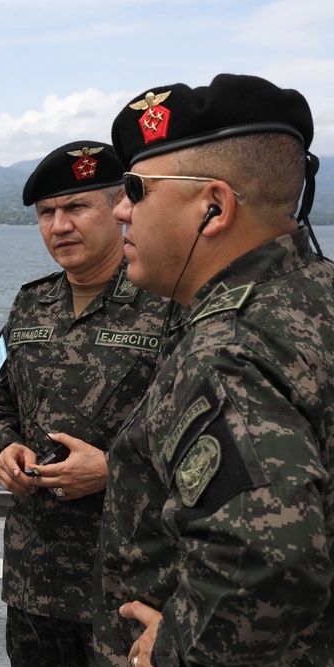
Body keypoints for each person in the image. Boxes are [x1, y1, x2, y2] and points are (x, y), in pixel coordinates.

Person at [94, 73, 334, 666]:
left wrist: (172, 651)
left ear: (214, 206)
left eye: (135, 188)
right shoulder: (314, 293)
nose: (120, 209)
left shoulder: (227, 345)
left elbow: (267, 554)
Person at [0, 140, 169, 666]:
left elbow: (203, 441)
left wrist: (115, 470)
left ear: (120, 209)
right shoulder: (29, 302)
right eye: (46, 213)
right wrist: (3, 449)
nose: (59, 225)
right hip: (34, 580)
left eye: (76, 207)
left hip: (131, 581)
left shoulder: (169, 306)